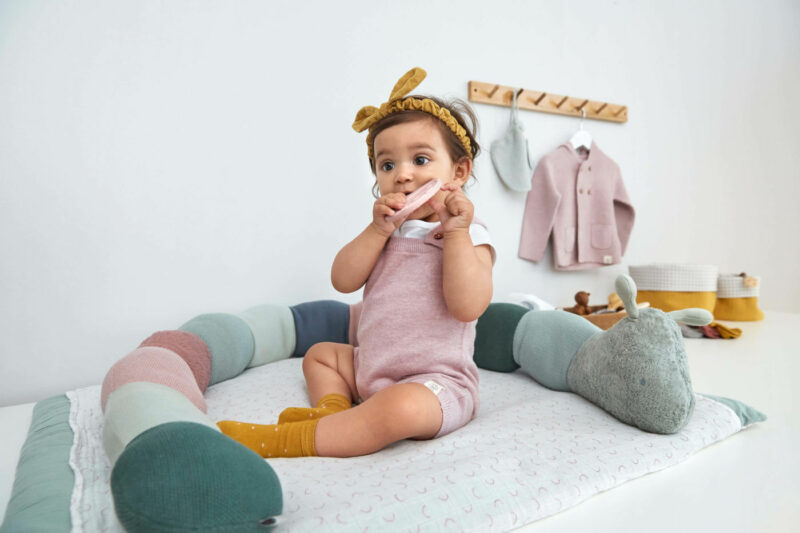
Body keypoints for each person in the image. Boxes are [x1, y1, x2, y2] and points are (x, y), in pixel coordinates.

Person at [217, 67, 494, 458]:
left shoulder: (466, 234)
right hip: (370, 368)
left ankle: (289, 441)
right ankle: (331, 410)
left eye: (420, 159)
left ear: (459, 172)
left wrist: (455, 232)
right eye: (387, 165)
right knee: (320, 355)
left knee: (399, 409)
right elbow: (342, 280)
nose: (403, 176)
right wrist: (377, 231)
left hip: (434, 384)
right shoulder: (386, 230)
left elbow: (468, 306)